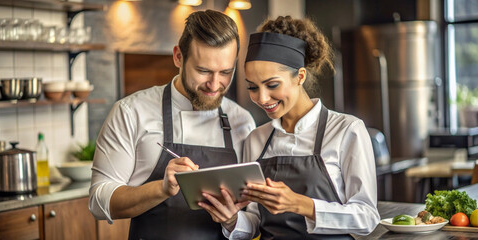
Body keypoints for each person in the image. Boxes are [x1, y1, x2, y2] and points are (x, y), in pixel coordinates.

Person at [199, 16, 380, 239]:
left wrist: (301, 205)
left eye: (272, 85)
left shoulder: (346, 130)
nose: (262, 98)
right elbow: (256, 220)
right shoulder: (256, 139)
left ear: (300, 76)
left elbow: (367, 217)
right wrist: (232, 220)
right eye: (253, 87)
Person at [88, 10, 256, 240]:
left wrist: (232, 221)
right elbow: (99, 201)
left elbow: (253, 218)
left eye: (226, 72)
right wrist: (161, 189)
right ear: (178, 57)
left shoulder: (242, 121)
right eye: (203, 71)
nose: (215, 84)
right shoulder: (131, 112)